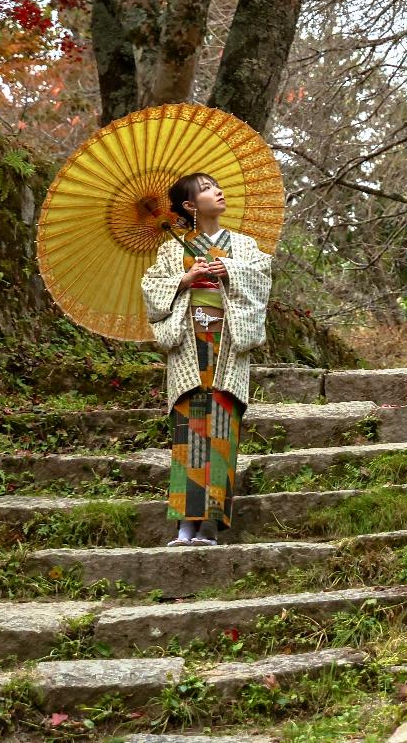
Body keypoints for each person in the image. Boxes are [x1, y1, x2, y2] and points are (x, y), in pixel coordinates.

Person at [140, 173, 271, 546]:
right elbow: (151, 290)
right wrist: (186, 278)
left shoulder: (244, 245)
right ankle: (185, 524)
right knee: (190, 426)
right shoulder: (171, 250)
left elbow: (262, 279)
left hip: (227, 342)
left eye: (217, 186)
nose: (219, 192)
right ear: (189, 206)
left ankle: (211, 522)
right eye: (207, 189)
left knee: (221, 425)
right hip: (188, 342)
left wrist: (228, 269)